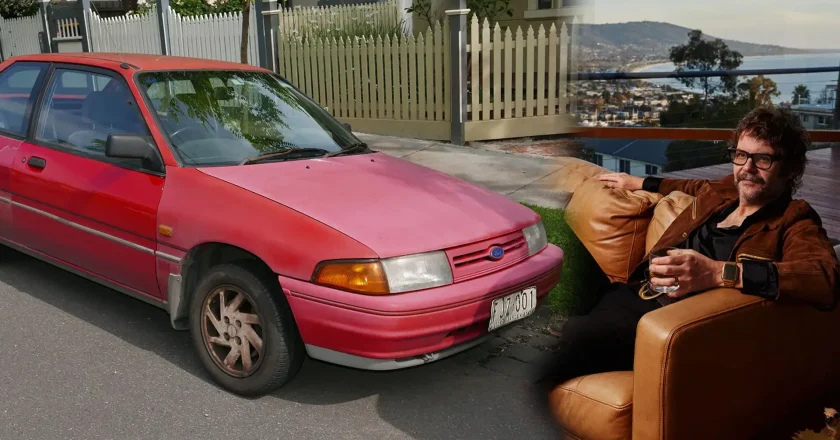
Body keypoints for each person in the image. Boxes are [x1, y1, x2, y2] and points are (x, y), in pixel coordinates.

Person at [541, 105, 840, 384]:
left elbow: (824, 278)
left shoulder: (794, 219)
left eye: (763, 159)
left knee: (575, 336)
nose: (747, 168)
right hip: (631, 290)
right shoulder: (724, 192)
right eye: (740, 155)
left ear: (790, 169)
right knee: (553, 248)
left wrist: (719, 273)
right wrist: (638, 183)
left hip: (660, 322)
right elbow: (688, 187)